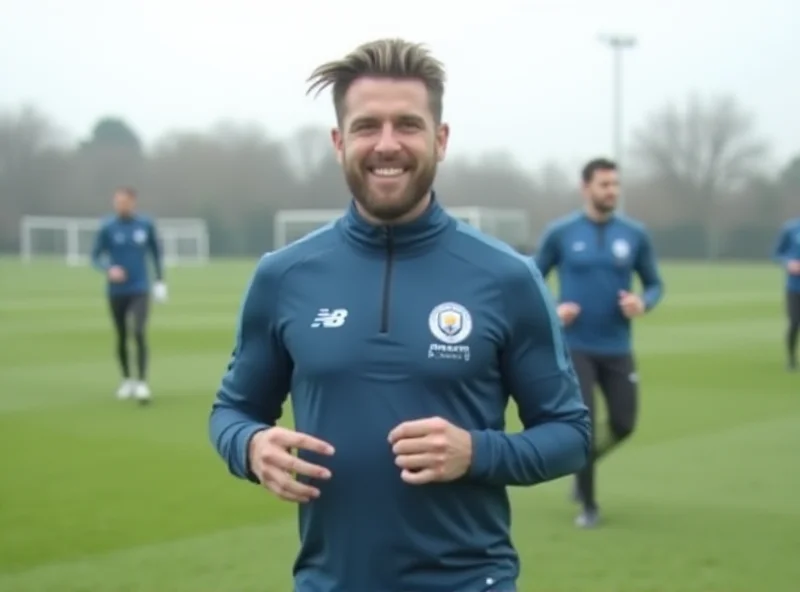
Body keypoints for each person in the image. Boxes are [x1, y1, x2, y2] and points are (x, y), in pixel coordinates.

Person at [208, 38, 590, 592]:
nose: (387, 144)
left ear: (441, 138)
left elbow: (570, 434)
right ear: (339, 142)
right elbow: (232, 411)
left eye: (407, 125)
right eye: (367, 126)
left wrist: (477, 452)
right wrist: (248, 447)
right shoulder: (284, 276)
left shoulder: (507, 277)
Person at [534, 158, 665, 529]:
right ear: (586, 187)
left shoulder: (634, 234)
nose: (612, 191)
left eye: (615, 185)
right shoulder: (561, 232)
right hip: (575, 346)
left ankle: (581, 466)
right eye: (605, 185)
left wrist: (644, 302)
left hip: (618, 345)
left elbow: (655, 282)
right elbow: (530, 278)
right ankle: (589, 507)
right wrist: (554, 308)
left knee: (624, 423)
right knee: (586, 427)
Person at [90, 187, 167, 403]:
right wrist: (109, 268)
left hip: (140, 287)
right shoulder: (108, 227)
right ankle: (126, 379)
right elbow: (95, 256)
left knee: (139, 330)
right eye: (117, 201)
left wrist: (160, 281)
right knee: (121, 334)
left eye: (124, 201)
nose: (120, 205)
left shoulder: (145, 225)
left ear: (133, 202)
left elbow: (156, 254)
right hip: (116, 291)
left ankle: (142, 382)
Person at [771, 216, 800, 371]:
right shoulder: (791, 228)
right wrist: (788, 263)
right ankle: (791, 359)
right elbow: (776, 253)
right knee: (795, 322)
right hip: (795, 286)